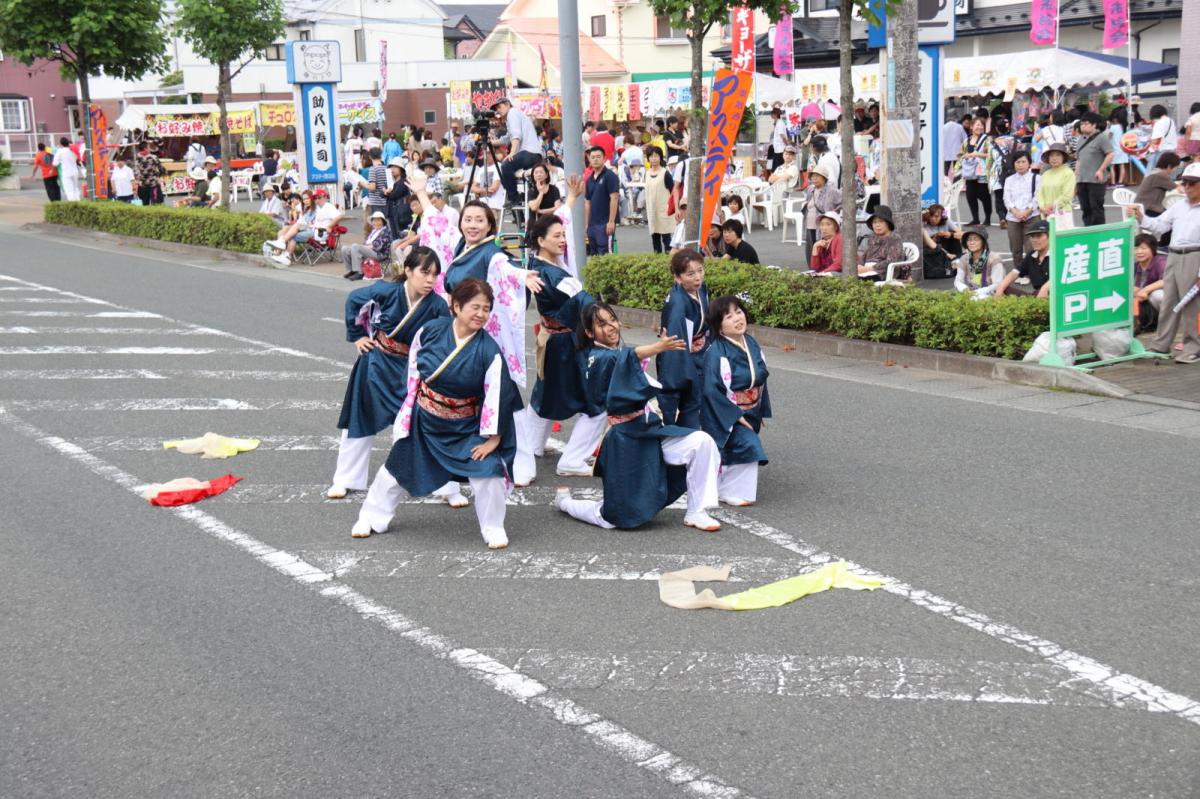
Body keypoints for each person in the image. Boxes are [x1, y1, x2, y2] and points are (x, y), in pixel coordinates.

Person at [352, 279, 523, 547]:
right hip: (425, 421)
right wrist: (409, 409)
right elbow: (413, 372)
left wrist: (493, 439)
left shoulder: (489, 350)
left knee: (489, 472)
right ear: (456, 306)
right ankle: (371, 517)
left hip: (464, 428)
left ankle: (493, 528)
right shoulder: (430, 331)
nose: (481, 314)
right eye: (475, 307)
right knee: (394, 471)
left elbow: (498, 395)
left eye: (486, 309)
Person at [553, 302, 721, 532]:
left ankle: (697, 511)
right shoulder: (597, 357)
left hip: (649, 430)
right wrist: (658, 347)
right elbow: (626, 357)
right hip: (625, 440)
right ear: (590, 333)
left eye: (612, 320)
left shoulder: (616, 354)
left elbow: (628, 359)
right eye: (602, 324)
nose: (611, 326)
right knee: (613, 517)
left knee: (701, 442)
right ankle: (566, 503)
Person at [329, 246, 456, 500]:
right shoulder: (386, 291)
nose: (430, 280)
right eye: (424, 272)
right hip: (376, 363)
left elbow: (444, 340)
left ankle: (444, 486)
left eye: (434, 274)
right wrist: (358, 336)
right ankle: (345, 479)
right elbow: (354, 299)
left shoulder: (437, 305)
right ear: (408, 270)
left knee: (425, 423)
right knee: (360, 418)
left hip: (411, 371)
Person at [516, 205, 607, 483]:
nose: (563, 240)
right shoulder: (551, 274)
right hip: (564, 345)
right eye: (556, 236)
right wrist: (607, 321)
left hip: (556, 341)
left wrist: (572, 199)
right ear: (540, 240)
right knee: (596, 402)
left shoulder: (544, 266)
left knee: (545, 395)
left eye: (563, 234)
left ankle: (531, 446)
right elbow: (583, 301)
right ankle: (572, 459)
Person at [699, 296, 771, 506]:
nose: (737, 318)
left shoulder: (751, 343)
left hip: (751, 407)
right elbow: (711, 390)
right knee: (747, 444)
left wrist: (760, 408)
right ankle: (731, 491)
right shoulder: (716, 352)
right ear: (719, 326)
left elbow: (761, 378)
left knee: (738, 447)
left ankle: (722, 487)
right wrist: (735, 415)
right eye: (729, 316)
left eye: (738, 312)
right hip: (726, 408)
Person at [1129, 163, 1200, 363]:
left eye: (1192, 183)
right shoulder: (1179, 205)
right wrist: (1141, 217)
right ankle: (1161, 344)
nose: (1187, 187)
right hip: (1174, 254)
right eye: (1185, 182)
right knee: (1169, 301)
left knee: (1191, 304)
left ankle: (1193, 348)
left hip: (1195, 255)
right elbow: (1160, 225)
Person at [657, 248, 710, 428]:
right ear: (677, 278)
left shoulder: (701, 289)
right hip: (681, 357)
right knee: (688, 399)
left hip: (699, 352)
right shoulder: (678, 303)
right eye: (690, 274)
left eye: (700, 270)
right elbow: (675, 344)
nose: (698, 277)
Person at [266, 187, 343, 266]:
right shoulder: (320, 208)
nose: (317, 199)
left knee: (293, 235)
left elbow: (340, 216)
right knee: (289, 229)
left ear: (325, 197)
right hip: (314, 230)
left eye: (319, 197)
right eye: (315, 198)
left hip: (319, 233)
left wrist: (329, 226)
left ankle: (286, 255)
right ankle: (282, 252)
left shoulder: (328, 206)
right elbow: (302, 214)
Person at [492, 98, 543, 208]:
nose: (498, 110)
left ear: (507, 104)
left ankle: (514, 198)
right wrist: (491, 143)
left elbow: (516, 136)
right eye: (496, 109)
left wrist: (512, 153)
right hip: (533, 154)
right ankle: (518, 199)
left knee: (505, 165)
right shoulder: (513, 116)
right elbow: (507, 138)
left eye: (499, 107)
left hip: (530, 153)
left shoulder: (512, 113)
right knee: (506, 168)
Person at [1072, 112, 1114, 227]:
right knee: (1085, 208)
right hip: (1082, 179)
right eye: (1081, 124)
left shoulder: (1102, 138)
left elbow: (1110, 154)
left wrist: (1101, 170)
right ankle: (1088, 231)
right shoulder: (1081, 139)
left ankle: (1098, 232)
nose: (1083, 126)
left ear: (1094, 125)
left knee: (1096, 207)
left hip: (1095, 180)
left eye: (1086, 124)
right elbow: (1079, 160)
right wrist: (1076, 178)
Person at [993, 220, 1051, 298]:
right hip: (1036, 296)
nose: (1034, 240)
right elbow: (1014, 273)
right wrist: (1000, 289)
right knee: (1003, 288)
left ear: (1050, 236)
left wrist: (1045, 288)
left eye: (1039, 236)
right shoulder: (1031, 255)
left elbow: (1059, 278)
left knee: (1043, 292)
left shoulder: (1058, 254)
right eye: (1032, 236)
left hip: (1055, 297)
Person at [1002, 150, 1039, 266]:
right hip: (1013, 218)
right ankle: (1018, 270)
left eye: (1023, 162)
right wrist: (1016, 212)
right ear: (1013, 164)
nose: (1020, 165)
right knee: (1015, 247)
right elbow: (1006, 198)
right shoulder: (1009, 180)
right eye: (1017, 162)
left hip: (1032, 216)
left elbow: (1037, 197)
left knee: (1031, 247)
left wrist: (1027, 211)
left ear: (1029, 163)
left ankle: (1032, 270)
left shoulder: (1037, 178)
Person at [584, 145, 620, 255]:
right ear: (589, 159)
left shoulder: (610, 176)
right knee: (594, 255)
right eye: (593, 157)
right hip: (592, 225)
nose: (595, 159)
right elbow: (587, 203)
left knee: (606, 255)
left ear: (604, 158)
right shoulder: (589, 180)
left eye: (598, 157)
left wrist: (611, 221)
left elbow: (614, 198)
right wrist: (586, 225)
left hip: (605, 224)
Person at [958, 118, 992, 225]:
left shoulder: (987, 140)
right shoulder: (966, 141)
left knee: (984, 195)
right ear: (971, 126)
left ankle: (987, 218)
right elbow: (960, 154)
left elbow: (991, 154)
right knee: (970, 195)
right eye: (977, 125)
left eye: (981, 125)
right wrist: (964, 156)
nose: (980, 127)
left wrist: (977, 154)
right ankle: (975, 219)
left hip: (982, 172)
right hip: (970, 172)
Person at [952, 227, 1006, 294]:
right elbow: (958, 281)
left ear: (983, 242)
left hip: (991, 294)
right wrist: (965, 290)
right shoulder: (964, 258)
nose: (972, 242)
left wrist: (978, 292)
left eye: (976, 239)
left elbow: (998, 284)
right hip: (970, 292)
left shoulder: (994, 258)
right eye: (969, 240)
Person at [857, 206, 905, 280]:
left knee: (861, 281)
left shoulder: (894, 239)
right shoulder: (873, 238)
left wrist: (869, 268)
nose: (877, 225)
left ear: (888, 223)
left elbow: (891, 261)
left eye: (881, 221)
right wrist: (859, 265)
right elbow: (865, 255)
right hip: (866, 270)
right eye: (875, 222)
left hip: (884, 272)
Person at [341, 211, 393, 281]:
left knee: (355, 247)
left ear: (383, 222)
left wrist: (364, 247)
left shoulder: (385, 231)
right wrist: (364, 247)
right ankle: (352, 271)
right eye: (374, 220)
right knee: (345, 249)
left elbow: (378, 246)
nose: (376, 223)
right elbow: (366, 243)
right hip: (370, 251)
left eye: (378, 220)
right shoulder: (374, 231)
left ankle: (359, 272)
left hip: (379, 254)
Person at [643, 145, 675, 254]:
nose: (654, 159)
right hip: (652, 210)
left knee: (666, 239)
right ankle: (657, 259)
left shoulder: (665, 173)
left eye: (656, 156)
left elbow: (673, 191)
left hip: (664, 211)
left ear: (660, 157)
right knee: (655, 238)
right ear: (648, 158)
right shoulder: (647, 173)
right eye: (651, 156)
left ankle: (668, 260)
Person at [1132, 233, 1167, 332]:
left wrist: (1145, 290)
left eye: (1143, 248)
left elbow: (1166, 280)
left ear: (1152, 249)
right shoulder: (1135, 265)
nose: (1139, 252)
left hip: (1161, 300)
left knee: (1158, 295)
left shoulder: (1160, 261)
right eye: (1136, 248)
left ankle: (1166, 324)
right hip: (1144, 303)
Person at [1036, 143, 1075, 226]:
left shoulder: (1068, 173)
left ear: (1063, 157)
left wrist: (1052, 206)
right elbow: (1039, 193)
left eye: (1058, 155)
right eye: (1051, 155)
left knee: (1062, 234)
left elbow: (1067, 195)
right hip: (1045, 214)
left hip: (1062, 213)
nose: (1054, 158)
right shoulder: (1045, 174)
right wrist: (1042, 207)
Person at [1134, 151, 1180, 219]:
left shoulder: (1154, 171)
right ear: (1169, 166)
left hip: (1141, 208)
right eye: (1176, 167)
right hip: (1149, 211)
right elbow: (1178, 189)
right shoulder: (1161, 175)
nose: (1175, 170)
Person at [1146, 104, 1178, 170]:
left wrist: (1149, 139)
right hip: (1173, 151)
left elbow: (1156, 141)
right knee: (1169, 173)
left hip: (1163, 153)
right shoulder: (1171, 121)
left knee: (1158, 173)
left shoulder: (1159, 123)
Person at [52, 137, 82, 202]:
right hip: (75, 171)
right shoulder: (73, 150)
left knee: (69, 190)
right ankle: (78, 201)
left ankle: (73, 203)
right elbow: (77, 158)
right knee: (75, 188)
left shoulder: (60, 151)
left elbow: (55, 163)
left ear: (61, 144)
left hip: (66, 172)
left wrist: (60, 161)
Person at [1107, 111, 1129, 187]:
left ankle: (1113, 182)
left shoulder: (1113, 127)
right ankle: (1120, 182)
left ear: (1116, 119)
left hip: (1114, 149)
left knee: (1111, 166)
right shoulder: (1124, 127)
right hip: (1122, 149)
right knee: (1122, 166)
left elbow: (1109, 137)